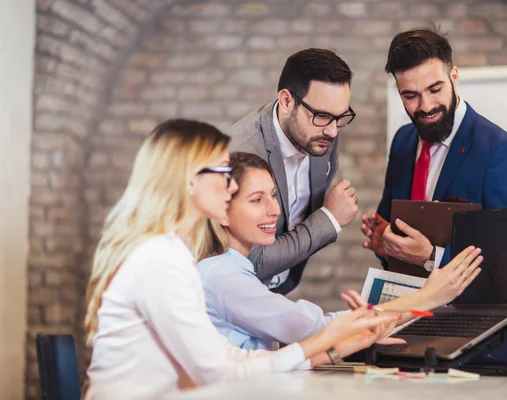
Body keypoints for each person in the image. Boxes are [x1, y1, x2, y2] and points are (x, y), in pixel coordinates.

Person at [83, 119, 400, 400]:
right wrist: (326, 339)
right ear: (190, 180)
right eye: (222, 172)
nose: (232, 185)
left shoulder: (171, 253)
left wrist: (334, 344)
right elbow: (217, 373)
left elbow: (228, 359)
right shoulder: (160, 258)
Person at [362, 27, 507, 366]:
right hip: (414, 331)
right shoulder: (402, 143)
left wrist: (431, 257)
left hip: (485, 347)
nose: (425, 106)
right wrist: (385, 245)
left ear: (454, 76)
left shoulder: (503, 154)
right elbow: (399, 247)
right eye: (410, 95)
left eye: (435, 89)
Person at [199, 151, 483, 351]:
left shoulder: (227, 270)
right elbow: (319, 328)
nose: (274, 210)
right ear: (222, 212)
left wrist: (356, 337)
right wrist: (428, 297)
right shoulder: (226, 278)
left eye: (274, 195)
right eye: (256, 200)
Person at [227, 48, 358, 295]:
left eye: (340, 118)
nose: (333, 131)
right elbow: (251, 260)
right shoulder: (241, 155)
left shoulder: (322, 135)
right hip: (232, 297)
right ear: (287, 101)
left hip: (278, 290)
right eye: (322, 116)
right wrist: (329, 219)